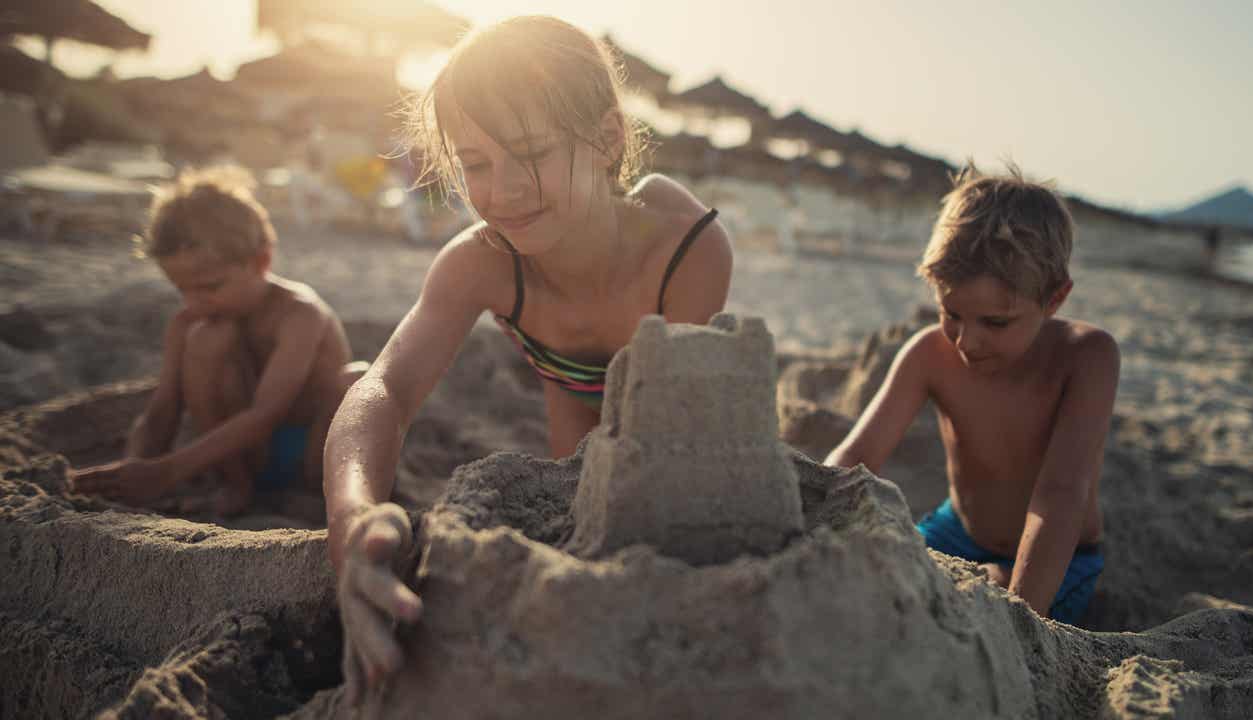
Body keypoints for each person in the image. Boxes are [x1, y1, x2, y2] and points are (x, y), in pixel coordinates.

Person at [326, 15, 732, 691]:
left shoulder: (682, 246)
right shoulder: (483, 263)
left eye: (532, 154)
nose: (503, 190)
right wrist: (352, 520)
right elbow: (386, 389)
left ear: (606, 140)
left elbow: (671, 437)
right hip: (570, 420)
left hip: (681, 427)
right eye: (476, 164)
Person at [825, 162, 1119, 625]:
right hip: (955, 530)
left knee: (992, 587)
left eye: (995, 323)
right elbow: (857, 454)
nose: (966, 341)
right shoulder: (928, 353)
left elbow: (1061, 494)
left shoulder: (1087, 357)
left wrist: (1022, 619)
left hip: (1060, 556)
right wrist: (811, 528)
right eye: (951, 313)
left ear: (1055, 299)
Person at [71, 165, 367, 515]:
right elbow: (163, 410)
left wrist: (168, 471)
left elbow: (265, 414)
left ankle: (319, 493)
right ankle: (236, 485)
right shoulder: (191, 322)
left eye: (211, 286)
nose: (195, 302)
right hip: (237, 458)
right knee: (207, 339)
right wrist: (133, 468)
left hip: (307, 452)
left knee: (355, 378)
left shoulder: (299, 314)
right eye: (182, 289)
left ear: (261, 261)